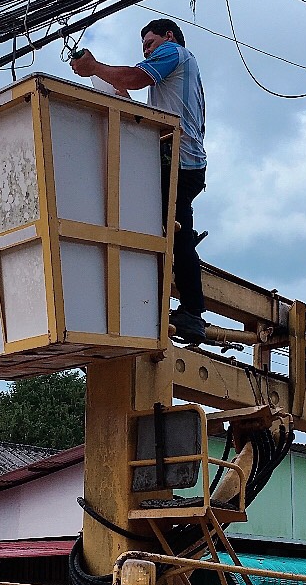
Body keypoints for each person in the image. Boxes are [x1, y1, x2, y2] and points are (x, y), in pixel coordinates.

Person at [70, 18, 207, 343]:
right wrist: (121, 95)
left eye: (149, 44)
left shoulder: (175, 52)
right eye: (144, 47)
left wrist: (95, 68)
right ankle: (187, 309)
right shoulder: (174, 80)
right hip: (182, 161)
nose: (146, 51)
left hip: (178, 160)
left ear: (169, 36)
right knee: (174, 232)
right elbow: (147, 103)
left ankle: (187, 310)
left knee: (167, 230)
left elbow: (136, 76)